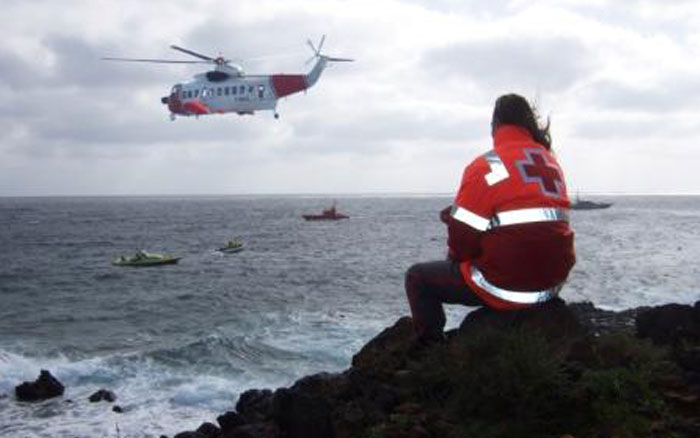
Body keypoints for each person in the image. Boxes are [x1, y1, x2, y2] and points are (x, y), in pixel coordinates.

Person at [405, 93, 576, 343]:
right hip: (550, 285)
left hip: (509, 286)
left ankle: (429, 352)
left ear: (495, 126)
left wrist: (456, 255)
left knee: (417, 277)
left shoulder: (489, 165)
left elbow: (463, 239)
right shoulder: (549, 162)